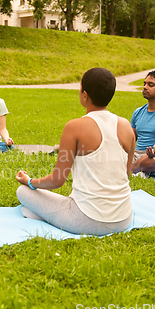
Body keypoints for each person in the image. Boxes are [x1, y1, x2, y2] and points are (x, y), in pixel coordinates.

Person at [15, 68, 135, 235]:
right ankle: (45, 214)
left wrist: (29, 181)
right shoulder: (126, 126)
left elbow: (57, 181)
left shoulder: (75, 127)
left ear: (84, 95)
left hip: (88, 220)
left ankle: (44, 214)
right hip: (124, 218)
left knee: (23, 192)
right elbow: (126, 174)